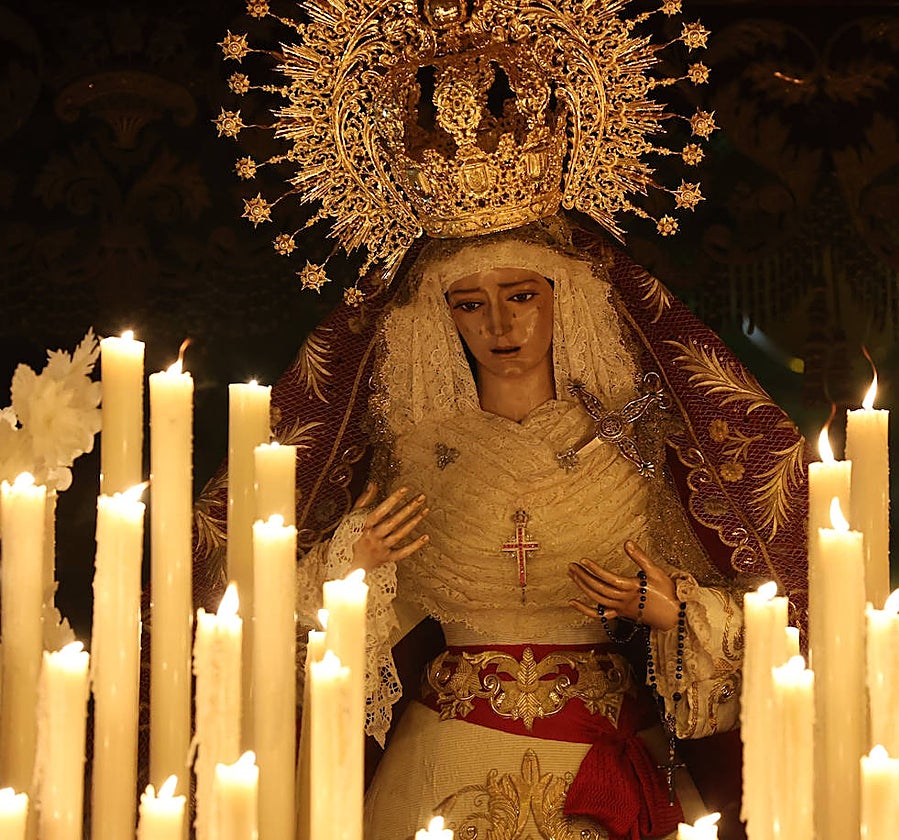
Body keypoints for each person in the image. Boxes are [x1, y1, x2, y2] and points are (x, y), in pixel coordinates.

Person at [200, 1, 813, 837]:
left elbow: (775, 619)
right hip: (444, 769)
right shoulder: (410, 454)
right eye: (471, 304)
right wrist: (353, 561)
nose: (501, 325)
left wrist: (677, 611)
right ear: (438, 322)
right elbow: (267, 607)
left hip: (605, 766)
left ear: (571, 305)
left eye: (523, 296)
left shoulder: (632, 449)